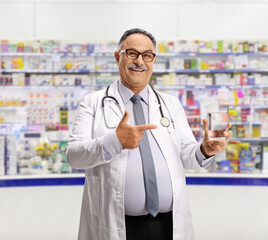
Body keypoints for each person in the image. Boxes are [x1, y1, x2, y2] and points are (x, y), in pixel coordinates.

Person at [66, 28, 232, 240]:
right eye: (132, 53)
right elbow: (73, 156)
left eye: (147, 55)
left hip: (167, 224)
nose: (140, 61)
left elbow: (186, 156)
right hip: (119, 226)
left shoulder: (170, 104)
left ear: (153, 60)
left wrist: (205, 150)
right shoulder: (93, 102)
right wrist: (114, 141)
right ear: (118, 57)